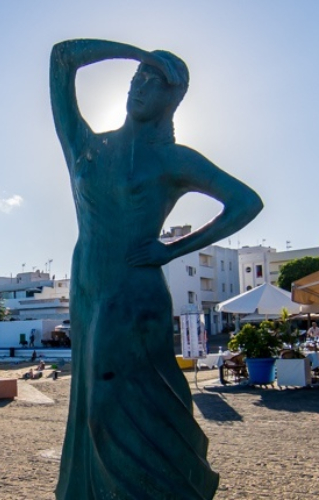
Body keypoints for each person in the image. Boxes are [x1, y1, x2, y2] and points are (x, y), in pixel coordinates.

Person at [50, 39, 262, 499]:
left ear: (173, 98)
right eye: (136, 78)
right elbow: (62, 57)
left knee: (108, 403)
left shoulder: (172, 159)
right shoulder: (86, 147)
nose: (139, 86)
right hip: (88, 288)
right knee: (89, 404)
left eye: (153, 81)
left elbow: (246, 202)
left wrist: (174, 248)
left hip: (133, 289)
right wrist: (136, 52)